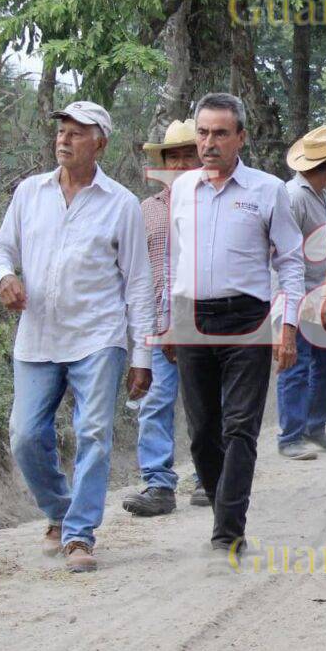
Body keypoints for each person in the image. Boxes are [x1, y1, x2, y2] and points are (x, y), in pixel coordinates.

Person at [0, 101, 154, 572]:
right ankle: (60, 509)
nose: (64, 139)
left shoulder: (120, 204)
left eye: (77, 133)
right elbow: (0, 248)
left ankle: (80, 536)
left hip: (98, 336)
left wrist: (142, 354)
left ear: (100, 142)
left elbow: (138, 282)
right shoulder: (29, 193)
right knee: (23, 434)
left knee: (94, 432)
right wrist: (3, 278)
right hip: (37, 336)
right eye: (62, 130)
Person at [166, 92, 304, 556]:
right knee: (202, 430)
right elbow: (174, 259)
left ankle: (228, 530)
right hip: (191, 317)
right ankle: (222, 503)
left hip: (248, 318)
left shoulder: (268, 190)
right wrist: (167, 319)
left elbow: (290, 261)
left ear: (240, 137)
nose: (209, 143)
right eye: (202, 133)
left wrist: (288, 328)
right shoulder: (182, 189)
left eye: (220, 133)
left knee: (239, 427)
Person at [124, 119, 204, 517]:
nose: (184, 163)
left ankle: (209, 475)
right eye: (176, 156)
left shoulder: (215, 206)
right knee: (155, 403)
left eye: (192, 154)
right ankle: (158, 484)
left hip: (206, 326)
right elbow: (134, 271)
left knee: (203, 403)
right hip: (157, 325)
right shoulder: (145, 211)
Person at [275, 126, 326, 459]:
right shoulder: (293, 196)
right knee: (296, 364)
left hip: (323, 292)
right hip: (298, 293)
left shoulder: (325, 194)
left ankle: (315, 426)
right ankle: (290, 435)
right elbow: (281, 252)